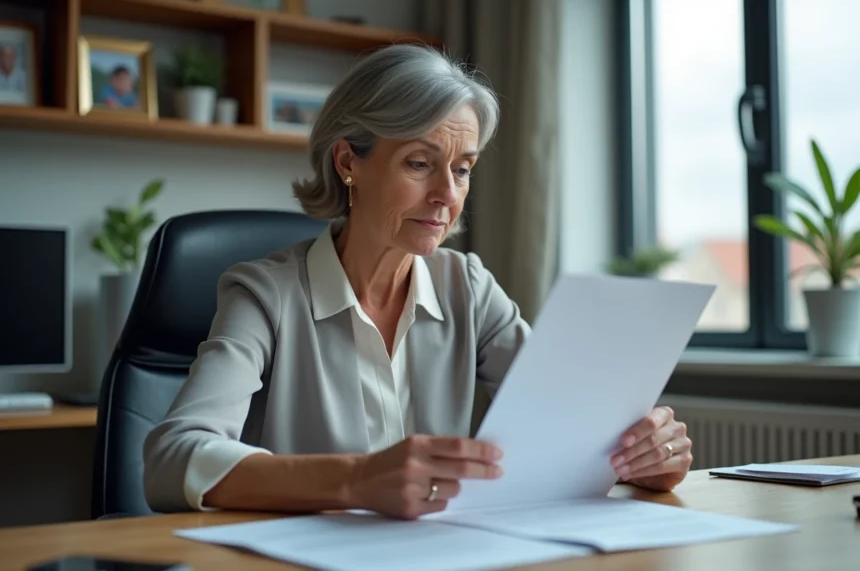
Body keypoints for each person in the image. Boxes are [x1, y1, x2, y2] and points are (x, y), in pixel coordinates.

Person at [143, 44, 693, 520]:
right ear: (347, 163)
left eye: (462, 169)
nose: (447, 196)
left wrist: (643, 456)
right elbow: (172, 460)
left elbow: (572, 423)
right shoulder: (265, 295)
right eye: (418, 163)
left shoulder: (468, 287)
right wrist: (356, 480)